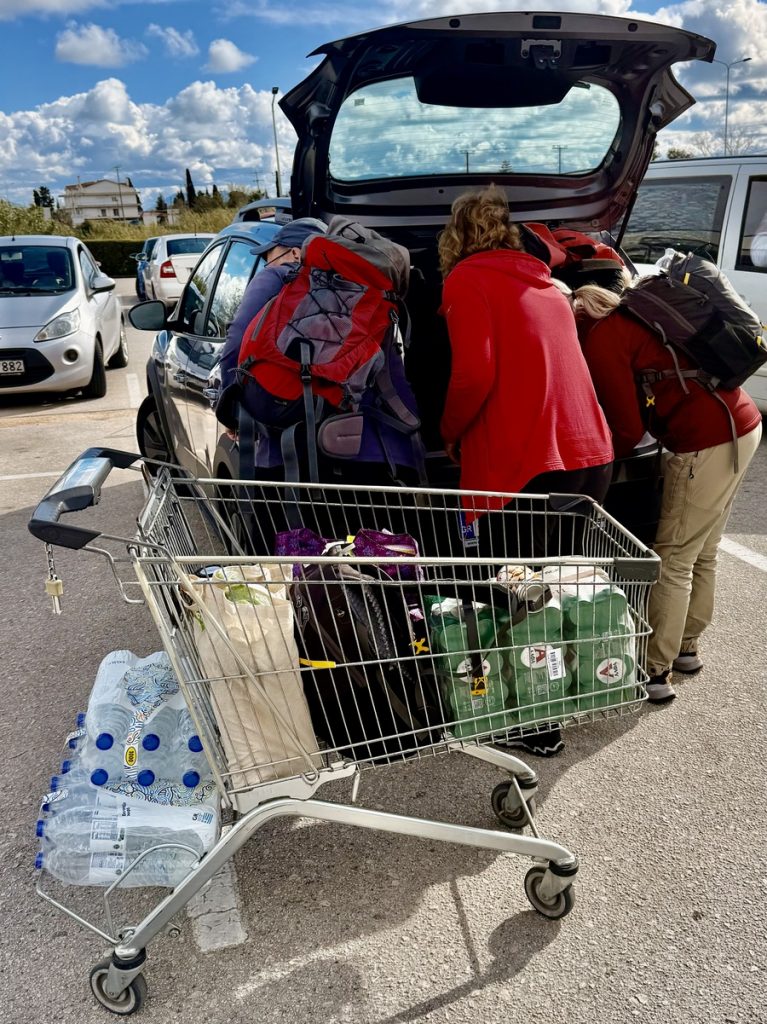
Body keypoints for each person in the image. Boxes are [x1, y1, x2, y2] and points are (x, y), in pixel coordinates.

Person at [437, 186, 615, 757]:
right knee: (550, 588)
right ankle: (566, 691)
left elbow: (473, 375)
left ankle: (537, 722)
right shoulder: (545, 282)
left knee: (516, 592)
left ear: (456, 234)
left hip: (527, 464)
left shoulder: (466, 280)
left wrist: (448, 431)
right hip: (588, 455)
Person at [573, 281, 762, 704]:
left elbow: (627, 426)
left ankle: (654, 668)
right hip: (741, 422)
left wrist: (596, 464)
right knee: (703, 549)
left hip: (705, 440)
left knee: (674, 557)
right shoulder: (635, 315)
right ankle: (687, 648)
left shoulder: (601, 338)